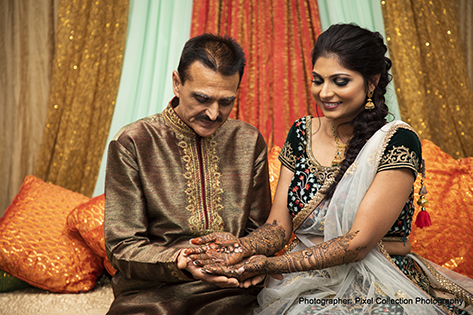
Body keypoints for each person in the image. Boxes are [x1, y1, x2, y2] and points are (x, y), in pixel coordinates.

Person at [184, 24, 473, 314]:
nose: (325, 92)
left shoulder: (396, 141)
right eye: (318, 80)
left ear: (371, 83)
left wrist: (270, 264)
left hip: (378, 279)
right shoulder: (301, 132)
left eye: (340, 81)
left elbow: (357, 243)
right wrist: (240, 248)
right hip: (303, 281)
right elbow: (278, 227)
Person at [104, 33, 272, 314]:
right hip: (154, 293)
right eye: (202, 98)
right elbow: (123, 246)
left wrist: (248, 261)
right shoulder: (134, 142)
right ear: (177, 83)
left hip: (233, 288)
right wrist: (181, 262)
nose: (214, 113)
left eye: (226, 101)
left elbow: (260, 233)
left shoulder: (248, 141)